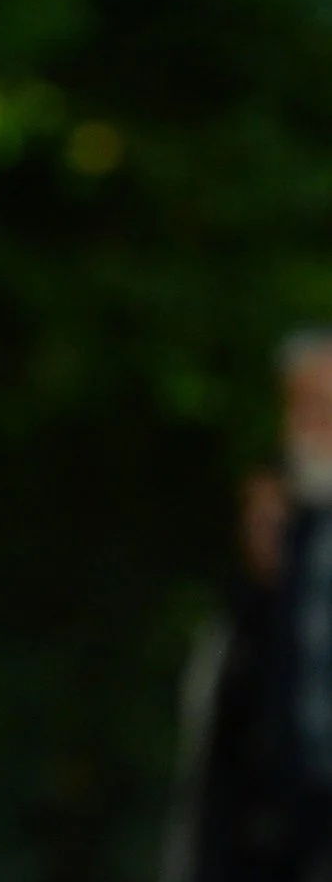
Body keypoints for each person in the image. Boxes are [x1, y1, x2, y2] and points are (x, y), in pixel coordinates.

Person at [175, 331, 332, 882]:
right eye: (301, 404)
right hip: (271, 808)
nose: (309, 423)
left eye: (325, 406)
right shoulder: (272, 514)